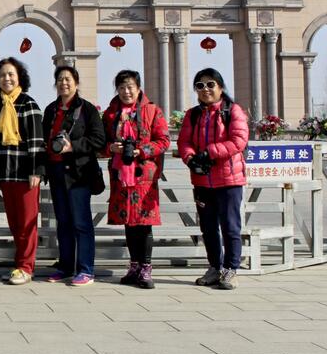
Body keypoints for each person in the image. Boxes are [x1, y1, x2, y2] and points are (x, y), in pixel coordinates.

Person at [177, 68, 250, 291]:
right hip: (202, 180)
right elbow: (184, 141)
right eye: (200, 85)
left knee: (230, 226)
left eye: (210, 84)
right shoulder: (193, 114)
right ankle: (215, 267)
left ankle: (231, 269)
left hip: (229, 180)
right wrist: (190, 158)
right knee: (208, 228)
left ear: (220, 87)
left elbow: (239, 140)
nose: (205, 89)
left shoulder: (233, 110)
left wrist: (210, 152)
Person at [101, 70, 171, 289]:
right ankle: (134, 267)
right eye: (121, 87)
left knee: (144, 223)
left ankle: (146, 268)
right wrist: (111, 148)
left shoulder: (152, 111)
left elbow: (164, 140)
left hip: (144, 178)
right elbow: (100, 142)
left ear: (139, 88)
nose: (126, 91)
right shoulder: (110, 114)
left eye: (130, 86)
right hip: (121, 177)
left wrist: (142, 151)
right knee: (129, 223)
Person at [42, 65, 106, 286]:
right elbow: (44, 140)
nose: (64, 83)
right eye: (60, 79)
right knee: (63, 222)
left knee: (81, 222)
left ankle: (86, 269)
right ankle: (65, 266)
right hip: (56, 172)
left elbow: (99, 140)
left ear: (76, 83)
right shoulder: (51, 110)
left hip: (79, 174)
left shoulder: (87, 109)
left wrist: (73, 146)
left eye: (68, 79)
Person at [0, 57, 44, 285]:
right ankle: (19, 265)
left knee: (27, 223)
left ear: (20, 77)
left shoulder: (28, 104)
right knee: (15, 223)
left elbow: (36, 140)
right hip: (5, 173)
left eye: (11, 74)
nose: (6, 78)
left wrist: (36, 170)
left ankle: (26, 267)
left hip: (25, 173)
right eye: (2, 75)